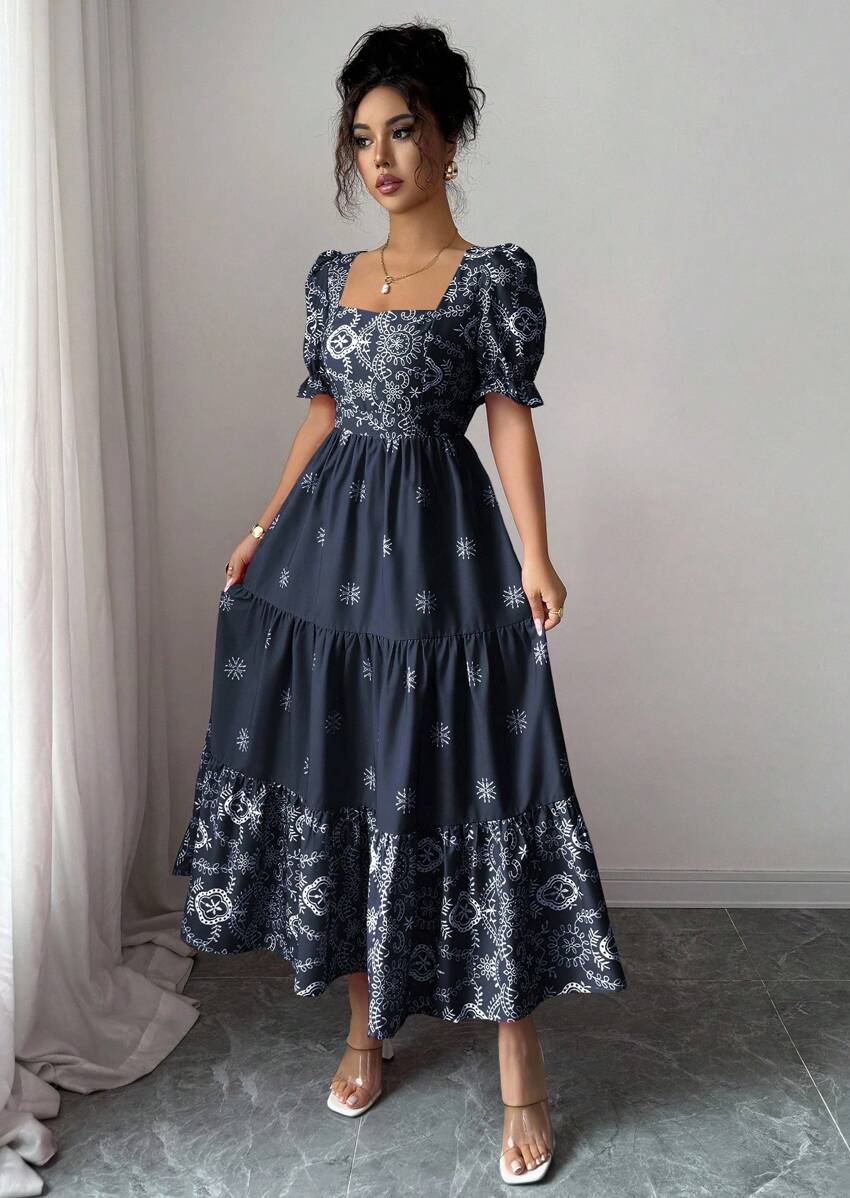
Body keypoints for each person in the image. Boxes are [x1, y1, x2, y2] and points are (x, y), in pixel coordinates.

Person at [172, 20, 627, 1185]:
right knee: (350, 776)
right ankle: (363, 1030)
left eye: (404, 132)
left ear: (448, 141)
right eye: (363, 137)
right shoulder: (332, 278)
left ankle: (520, 1072)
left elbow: (509, 418)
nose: (380, 157)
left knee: (472, 776)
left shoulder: (492, 278)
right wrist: (261, 526)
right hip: (327, 558)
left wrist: (538, 556)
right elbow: (322, 412)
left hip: (440, 555)